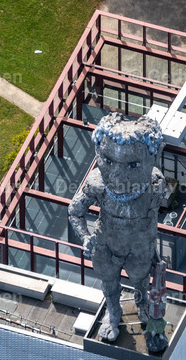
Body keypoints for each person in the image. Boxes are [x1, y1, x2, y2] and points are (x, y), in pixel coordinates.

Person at [68, 112, 166, 342]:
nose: (117, 174)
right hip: (106, 243)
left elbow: (153, 220)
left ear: (155, 157)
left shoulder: (154, 186)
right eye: (108, 160)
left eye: (132, 165)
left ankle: (143, 308)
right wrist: (85, 237)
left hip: (140, 245)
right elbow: (74, 211)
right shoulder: (97, 184)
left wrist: (153, 252)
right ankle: (113, 313)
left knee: (141, 278)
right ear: (98, 153)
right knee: (108, 280)